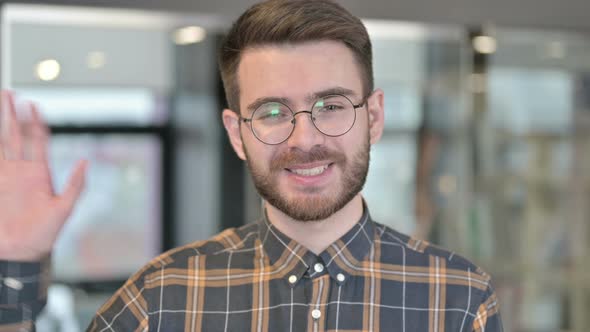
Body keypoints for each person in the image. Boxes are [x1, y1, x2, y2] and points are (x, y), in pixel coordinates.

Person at [0, 0, 503, 330]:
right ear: (236, 134)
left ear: (373, 117)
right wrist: (15, 264)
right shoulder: (163, 298)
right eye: (271, 111)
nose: (304, 139)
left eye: (330, 106)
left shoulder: (458, 300)